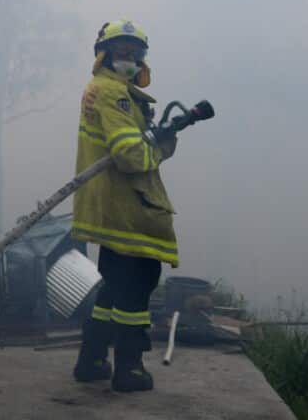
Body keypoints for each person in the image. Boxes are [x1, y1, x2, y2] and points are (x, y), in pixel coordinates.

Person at [70, 19, 178, 392]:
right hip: (127, 206)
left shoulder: (104, 90)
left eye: (135, 54)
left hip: (110, 204)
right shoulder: (113, 94)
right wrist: (161, 147)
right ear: (104, 54)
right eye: (122, 52)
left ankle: (92, 360)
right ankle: (129, 369)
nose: (129, 60)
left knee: (114, 287)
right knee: (136, 286)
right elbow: (130, 155)